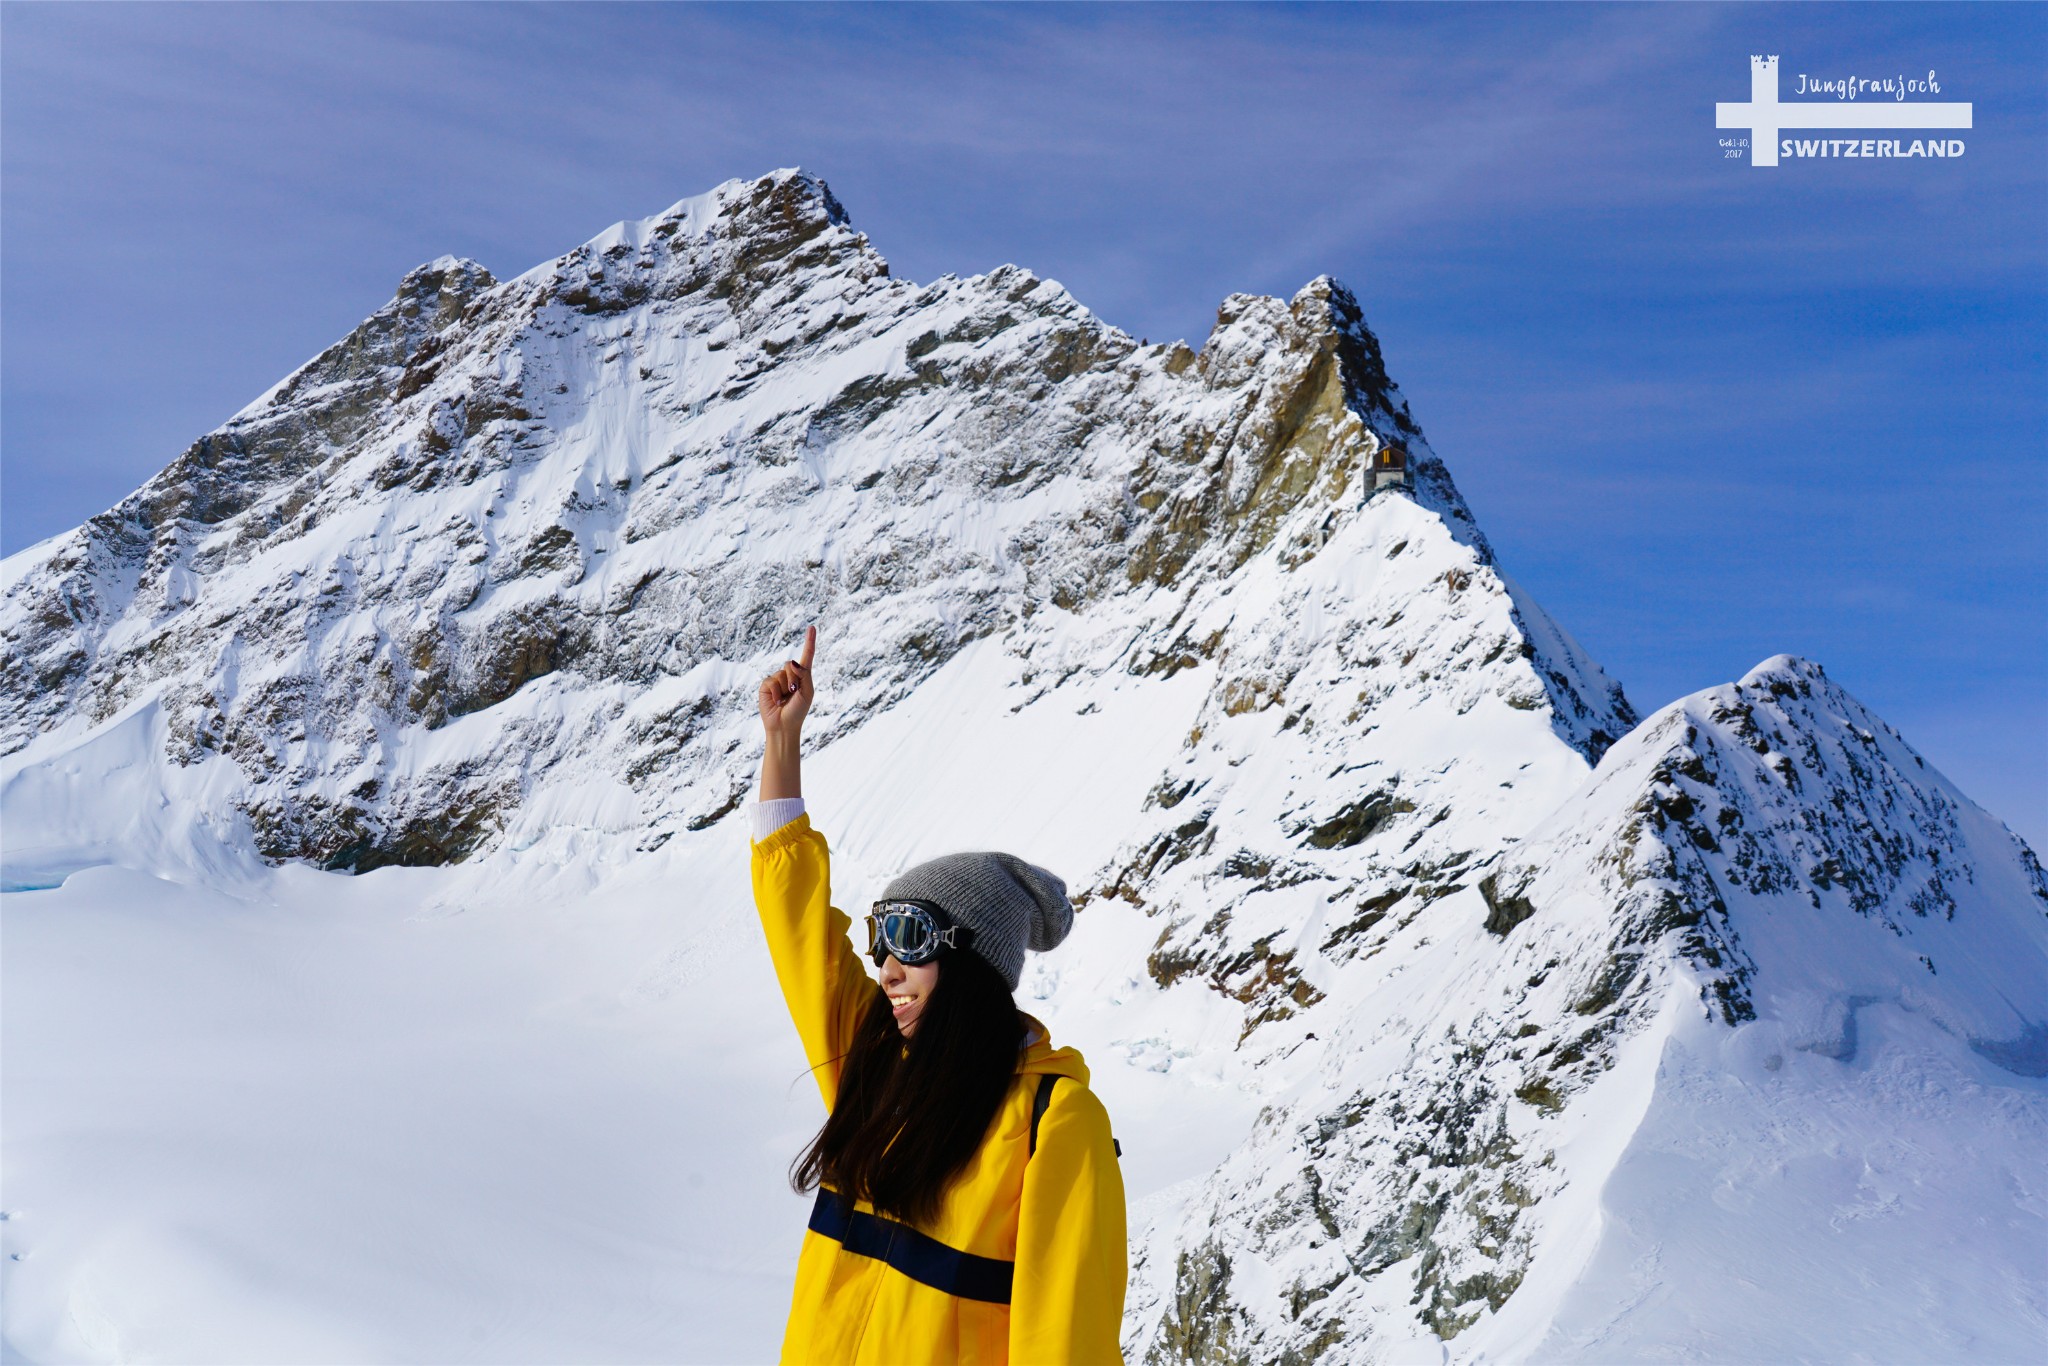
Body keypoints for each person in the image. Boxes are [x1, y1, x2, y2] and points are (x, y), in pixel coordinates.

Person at [750, 626, 1128, 1365]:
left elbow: (1066, 1346)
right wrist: (781, 742)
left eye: (912, 940)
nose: (886, 968)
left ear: (974, 961)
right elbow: (794, 921)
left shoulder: (1055, 1126)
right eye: (879, 940)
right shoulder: (877, 1066)